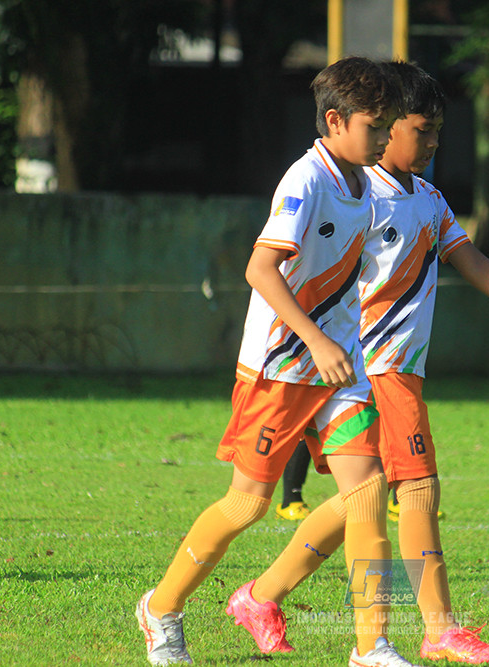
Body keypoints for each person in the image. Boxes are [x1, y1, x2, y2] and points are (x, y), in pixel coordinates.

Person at [232, 62, 489, 664]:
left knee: (359, 502)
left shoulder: (429, 198)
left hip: (403, 370)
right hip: (371, 368)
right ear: (389, 125)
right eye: (422, 129)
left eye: (438, 132)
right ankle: (439, 629)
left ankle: (261, 596)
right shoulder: (359, 194)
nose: (432, 142)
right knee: (417, 491)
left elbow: (474, 262)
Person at [136, 56, 423, 667]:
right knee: (247, 504)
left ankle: (373, 647)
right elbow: (259, 269)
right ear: (335, 120)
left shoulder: (366, 183)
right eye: (376, 126)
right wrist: (315, 341)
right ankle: (161, 608)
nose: (384, 138)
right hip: (280, 368)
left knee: (367, 493)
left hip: (339, 372)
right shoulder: (306, 180)